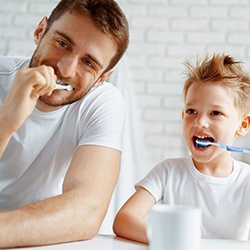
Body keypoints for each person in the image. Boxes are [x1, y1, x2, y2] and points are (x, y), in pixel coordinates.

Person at [0, 0, 129, 248]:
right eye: (62, 43)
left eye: (88, 63)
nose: (65, 69)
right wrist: (7, 122)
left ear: (103, 78)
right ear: (40, 31)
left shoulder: (102, 104)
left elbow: (87, 210)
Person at [113, 53, 250, 244]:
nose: (200, 122)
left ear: (242, 125)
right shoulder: (169, 172)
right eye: (191, 111)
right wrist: (171, 239)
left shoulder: (246, 181)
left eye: (216, 113)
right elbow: (124, 219)